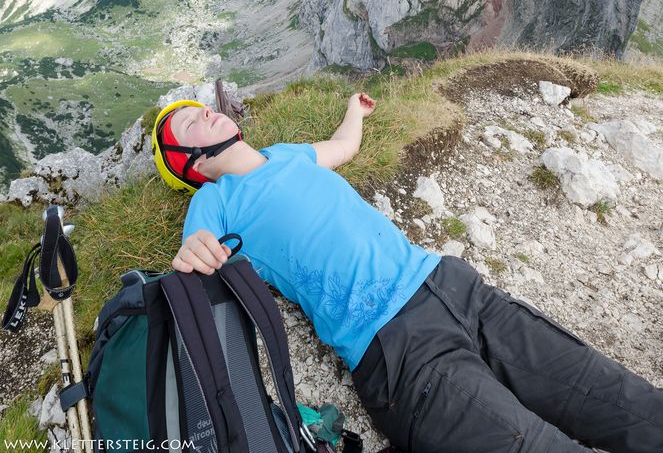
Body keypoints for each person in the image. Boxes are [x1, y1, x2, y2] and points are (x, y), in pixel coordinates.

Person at [152, 93, 663, 453]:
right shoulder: (214, 201)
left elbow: (342, 149)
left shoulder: (284, 156)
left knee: (615, 394)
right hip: (400, 352)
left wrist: (355, 111)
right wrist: (194, 250)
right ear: (187, 163)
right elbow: (194, 252)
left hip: (454, 288)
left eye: (202, 108)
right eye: (190, 123)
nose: (208, 112)